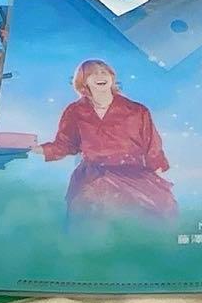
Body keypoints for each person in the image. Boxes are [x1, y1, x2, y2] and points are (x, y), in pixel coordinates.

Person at [31, 59, 176, 223]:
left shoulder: (137, 110)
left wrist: (156, 171)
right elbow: (66, 144)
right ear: (83, 81)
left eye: (104, 72)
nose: (100, 76)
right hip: (93, 175)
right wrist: (40, 149)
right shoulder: (75, 111)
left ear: (112, 77)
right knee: (88, 209)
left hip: (133, 174)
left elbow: (152, 145)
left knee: (160, 210)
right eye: (93, 73)